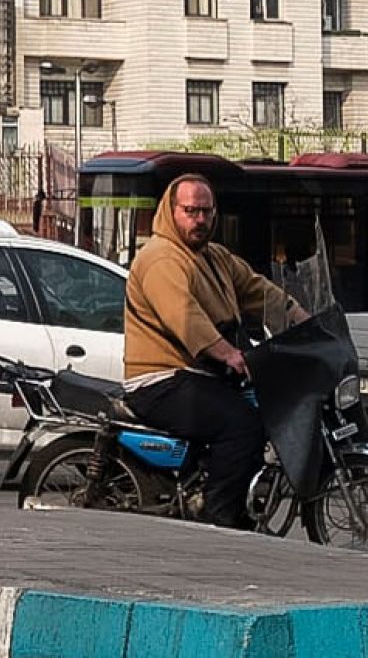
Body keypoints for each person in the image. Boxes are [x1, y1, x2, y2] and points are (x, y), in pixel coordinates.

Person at [122, 173, 302, 527]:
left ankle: (236, 496)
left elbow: (258, 291)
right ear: (171, 211)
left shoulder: (214, 257)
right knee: (241, 425)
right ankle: (218, 514)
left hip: (196, 374)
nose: (200, 219)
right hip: (161, 379)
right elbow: (184, 316)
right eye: (191, 211)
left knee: (261, 407)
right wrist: (227, 353)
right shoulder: (161, 258)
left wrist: (303, 319)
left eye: (206, 211)